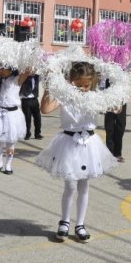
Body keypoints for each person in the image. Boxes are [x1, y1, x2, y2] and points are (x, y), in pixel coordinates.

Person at [37, 61, 118, 243]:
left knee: (84, 185)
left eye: (86, 85)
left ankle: (80, 224)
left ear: (92, 83)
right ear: (70, 80)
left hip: (88, 144)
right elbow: (45, 109)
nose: (82, 88)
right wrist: (49, 88)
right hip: (68, 143)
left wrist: (118, 89)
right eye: (78, 84)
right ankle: (64, 221)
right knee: (70, 185)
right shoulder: (64, 96)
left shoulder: (95, 97)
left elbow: (116, 108)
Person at [0, 64, 29, 175]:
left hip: (12, 115)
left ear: (11, 70)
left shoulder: (17, 80)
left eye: (4, 69)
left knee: (10, 142)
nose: (2, 71)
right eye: (1, 68)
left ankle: (8, 165)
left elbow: (27, 70)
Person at [103, 79, 127, 163]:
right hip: (109, 99)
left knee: (121, 127)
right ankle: (110, 153)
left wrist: (121, 102)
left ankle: (117, 153)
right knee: (109, 127)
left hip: (122, 99)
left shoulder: (124, 71)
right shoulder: (108, 71)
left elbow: (125, 88)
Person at [19, 73, 42, 140]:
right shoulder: (24, 77)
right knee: (27, 118)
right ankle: (27, 133)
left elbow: (44, 76)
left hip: (35, 99)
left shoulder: (37, 76)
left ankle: (37, 133)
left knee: (37, 117)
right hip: (25, 99)